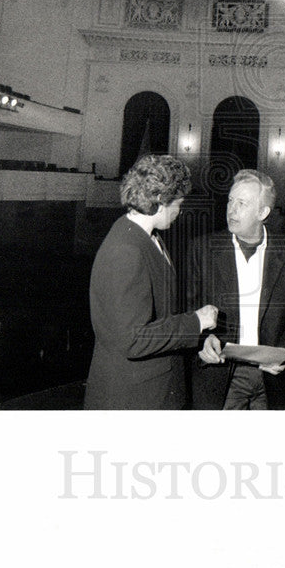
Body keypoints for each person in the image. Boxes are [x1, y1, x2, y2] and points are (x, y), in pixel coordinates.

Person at [84, 154, 218, 410]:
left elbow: (159, 315)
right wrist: (196, 322)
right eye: (178, 203)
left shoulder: (144, 237)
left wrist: (198, 337)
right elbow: (132, 339)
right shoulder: (126, 249)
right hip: (134, 398)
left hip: (151, 387)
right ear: (160, 200)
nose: (180, 211)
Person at [188, 169, 285, 410]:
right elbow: (187, 309)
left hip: (273, 378)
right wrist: (202, 341)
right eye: (230, 201)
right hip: (221, 376)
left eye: (241, 203)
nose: (231, 210)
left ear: (263, 212)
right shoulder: (202, 249)